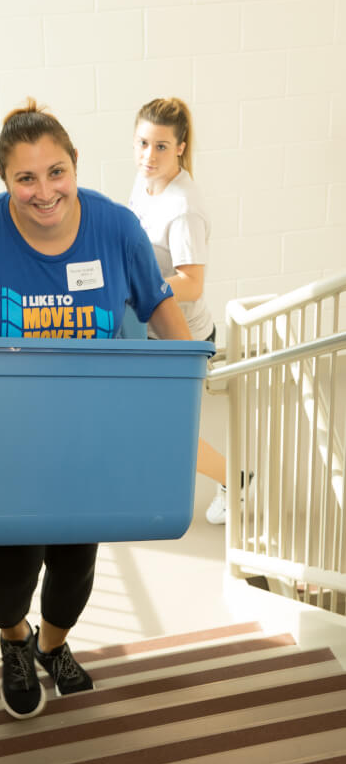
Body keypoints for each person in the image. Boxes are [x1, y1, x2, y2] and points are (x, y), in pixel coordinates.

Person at [0, 99, 192, 721]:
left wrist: (184, 377)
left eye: (56, 172)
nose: (44, 192)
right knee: (5, 581)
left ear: (75, 164)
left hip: (86, 440)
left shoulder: (116, 227)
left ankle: (52, 645)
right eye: (25, 178)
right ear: (4, 178)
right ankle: (15, 639)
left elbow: (159, 306)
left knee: (75, 571)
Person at [122, 96, 250, 525]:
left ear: (180, 146)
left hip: (183, 338)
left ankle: (238, 481)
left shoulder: (184, 208)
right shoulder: (145, 182)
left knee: (168, 430)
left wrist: (135, 290)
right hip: (150, 330)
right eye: (143, 143)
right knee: (145, 420)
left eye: (161, 146)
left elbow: (192, 284)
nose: (148, 155)